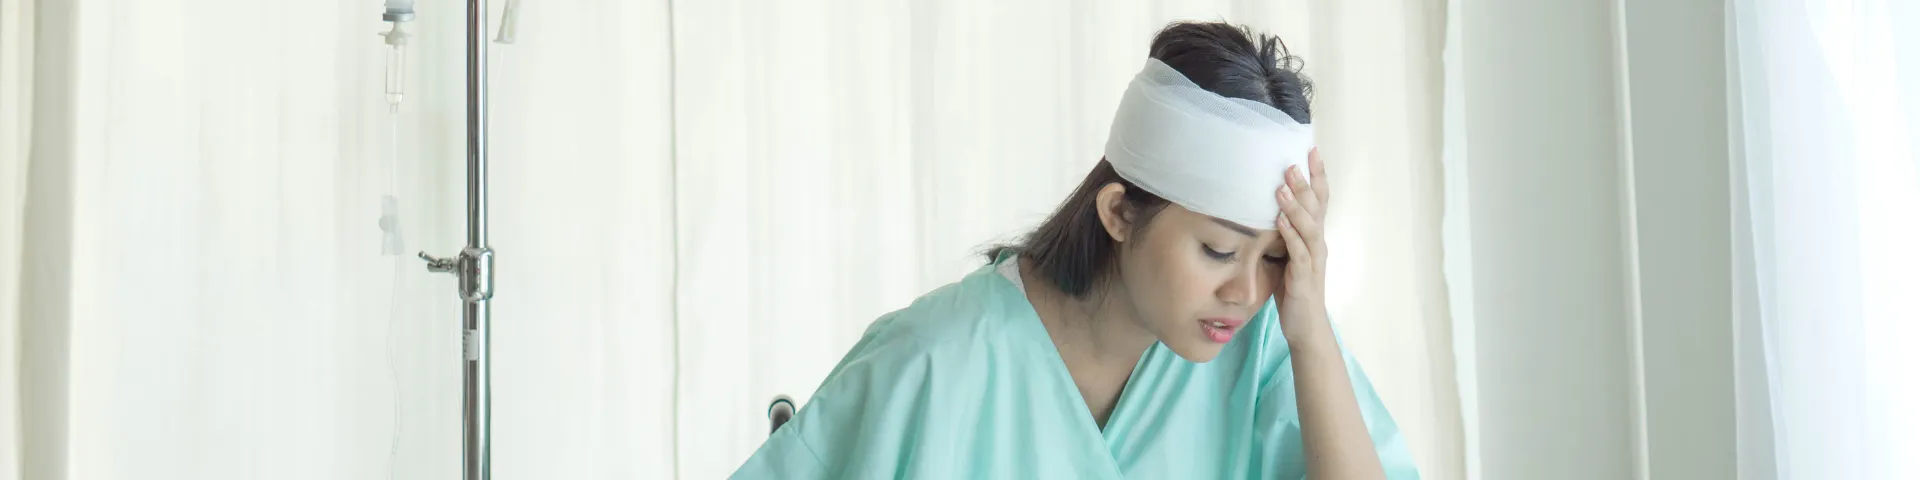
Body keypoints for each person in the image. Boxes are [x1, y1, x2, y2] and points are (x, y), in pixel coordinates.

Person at [732, 21, 1418, 479]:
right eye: (1217, 249)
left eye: (1274, 258)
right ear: (1119, 212)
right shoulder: (931, 365)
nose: (1245, 292)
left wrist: (1311, 334)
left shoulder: (1265, 349)